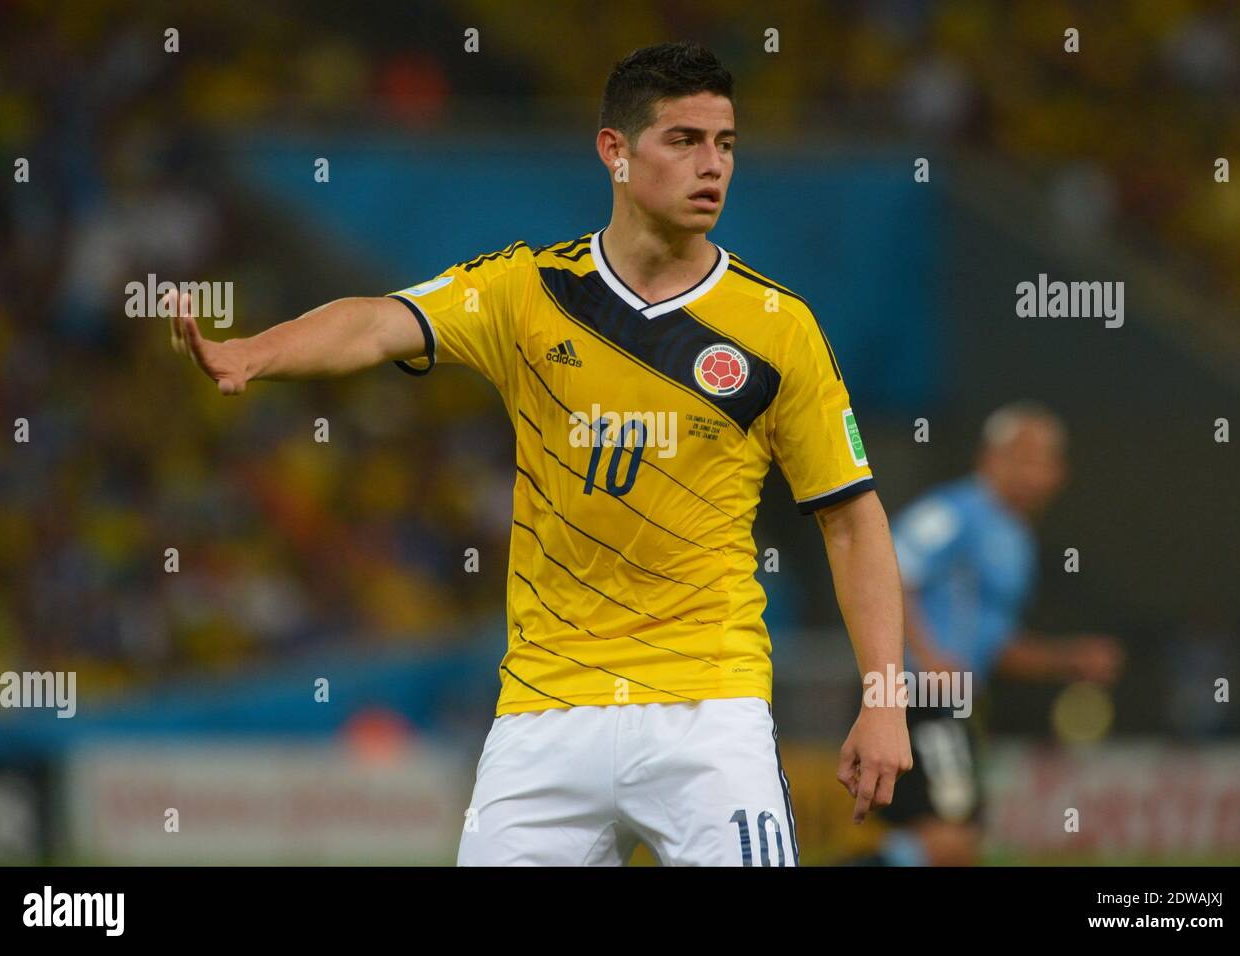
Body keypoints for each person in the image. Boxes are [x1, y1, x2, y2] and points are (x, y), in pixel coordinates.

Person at [165, 41, 911, 866]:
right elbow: (379, 321)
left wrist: (884, 698)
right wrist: (255, 354)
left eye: (725, 144)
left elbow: (852, 522)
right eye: (684, 140)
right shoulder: (527, 291)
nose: (713, 166)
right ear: (615, 153)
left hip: (709, 706)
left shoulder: (780, 328)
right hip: (544, 712)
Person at [863, 402, 1123, 866]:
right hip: (916, 695)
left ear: (1059, 473)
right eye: (1020, 456)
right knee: (950, 840)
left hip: (954, 702)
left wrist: (1070, 659)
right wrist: (931, 658)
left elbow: (996, 645)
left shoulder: (1016, 540)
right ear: (988, 458)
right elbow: (889, 570)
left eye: (1043, 460)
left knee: (943, 842)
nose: (1032, 471)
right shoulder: (954, 512)